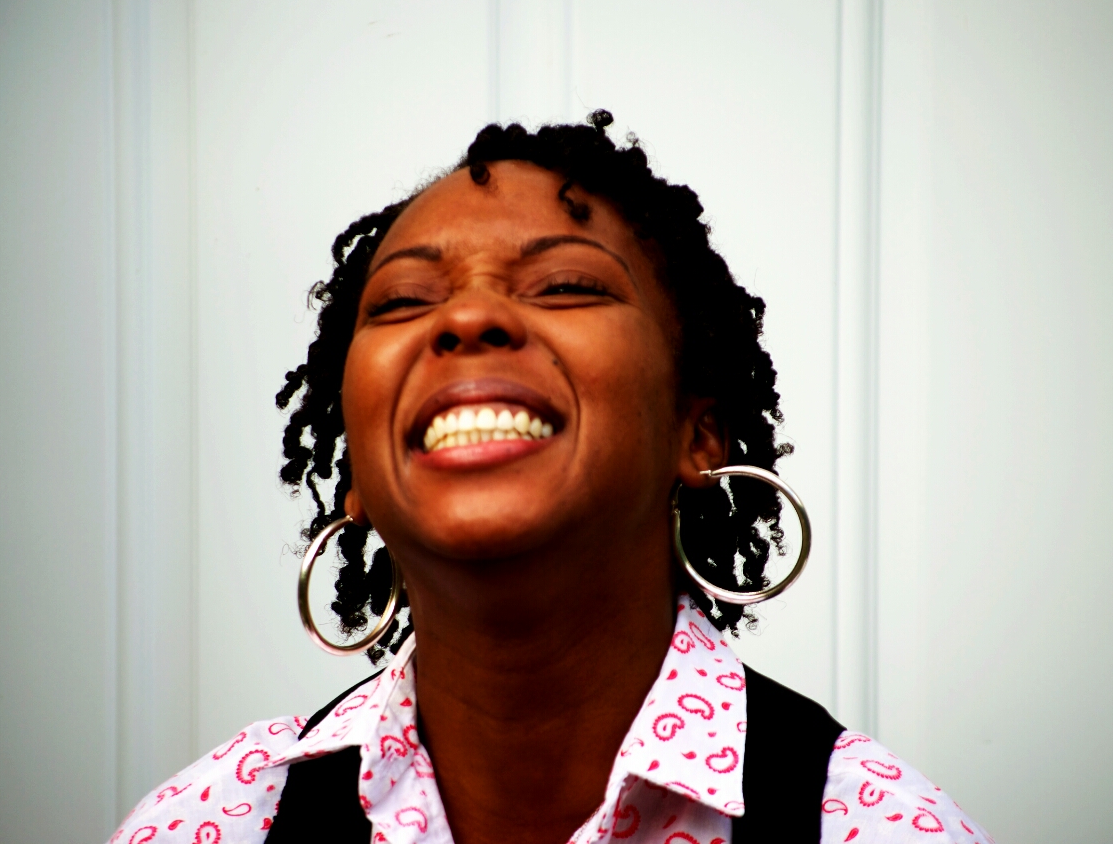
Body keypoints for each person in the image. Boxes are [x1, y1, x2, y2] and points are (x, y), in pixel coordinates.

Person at [108, 113, 990, 844]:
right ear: (357, 477)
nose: (468, 317)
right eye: (404, 302)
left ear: (697, 433)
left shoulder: (877, 825)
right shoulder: (214, 821)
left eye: (566, 285)